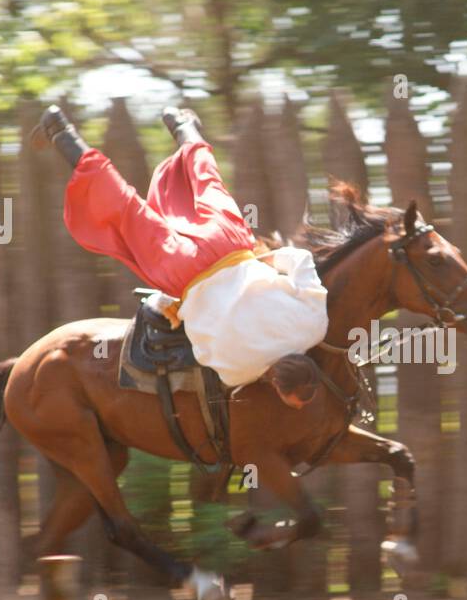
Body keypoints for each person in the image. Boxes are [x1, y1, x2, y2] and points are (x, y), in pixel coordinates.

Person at [32, 104, 327, 408]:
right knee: (126, 209)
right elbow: (199, 345)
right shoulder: (239, 373)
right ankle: (61, 132)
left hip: (232, 246)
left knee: (208, 181)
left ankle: (184, 125)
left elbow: (301, 260)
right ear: (277, 384)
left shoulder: (315, 325)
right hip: (182, 271)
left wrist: (264, 262)